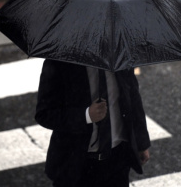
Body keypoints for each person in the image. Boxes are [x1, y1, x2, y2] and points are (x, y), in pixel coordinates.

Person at [35, 59, 151, 187]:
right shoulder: (60, 61)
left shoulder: (119, 55)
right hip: (77, 163)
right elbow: (44, 113)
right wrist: (86, 115)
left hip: (117, 158)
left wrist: (141, 143)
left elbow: (133, 97)